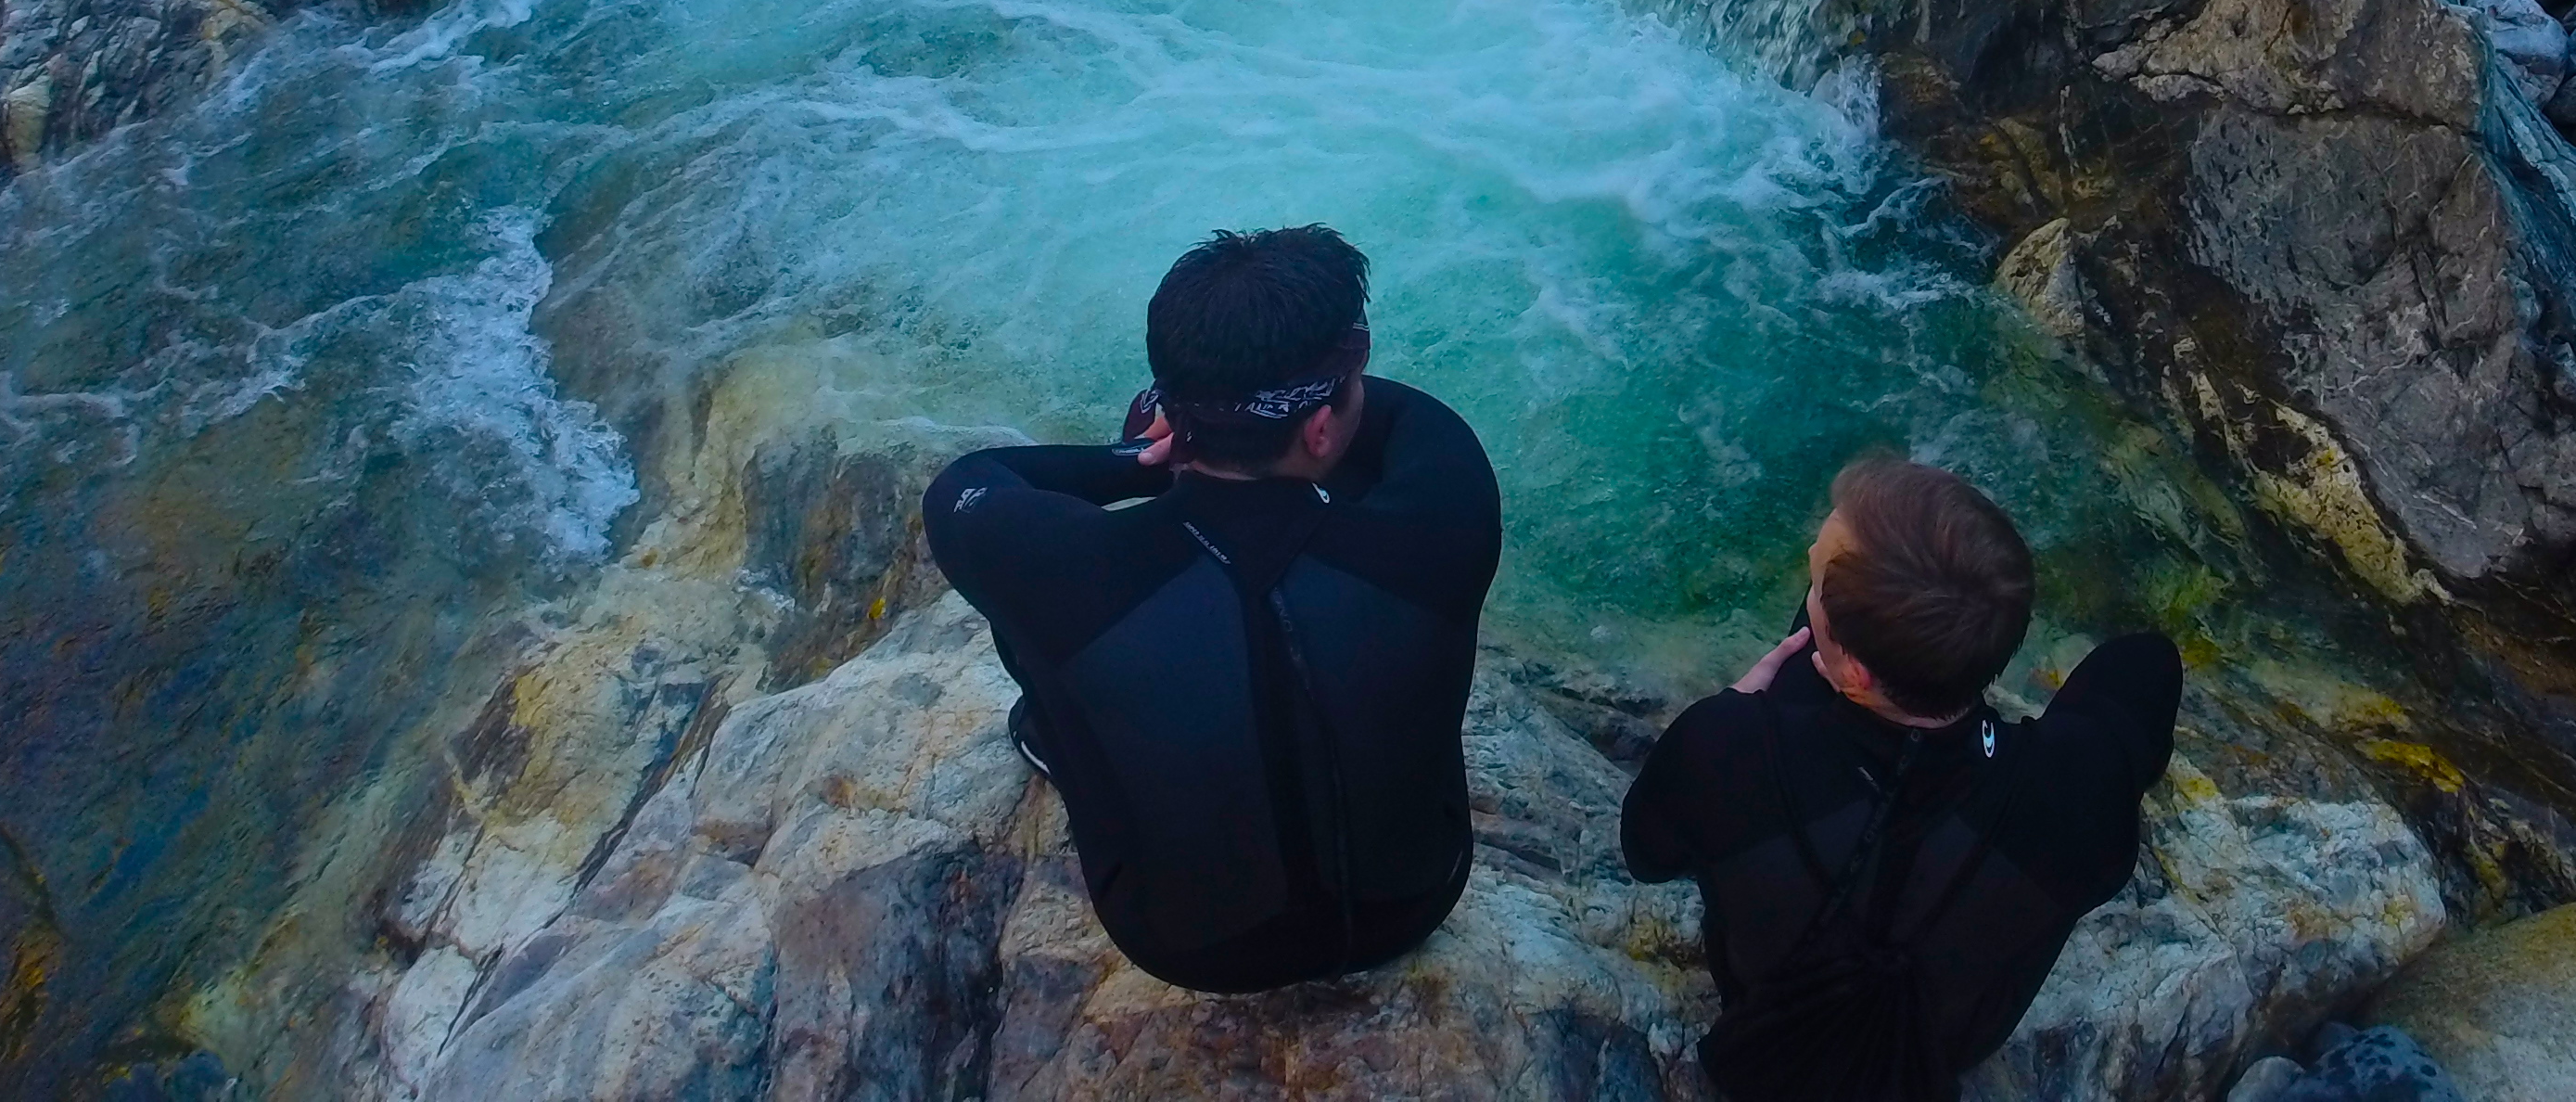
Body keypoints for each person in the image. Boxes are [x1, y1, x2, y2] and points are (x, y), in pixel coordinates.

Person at [922, 224, 1500, 993]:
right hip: (1418, 898)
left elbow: (970, 482)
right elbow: (1403, 419)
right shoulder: (1448, 515)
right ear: (1320, 428)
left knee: (1030, 609)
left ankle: (1057, 742)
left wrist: (1147, 454)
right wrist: (1278, 403)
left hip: (1184, 946)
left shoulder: (1070, 571)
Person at [1621, 454, 2183, 1101]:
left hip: (1771, 1018)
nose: (1809, 570)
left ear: (1854, 675)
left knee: (1805, 648)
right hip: (1948, 1045)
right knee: (2143, 661)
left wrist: (1736, 707)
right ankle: (1934, 682)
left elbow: (1648, 855)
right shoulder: (2077, 799)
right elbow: (2103, 837)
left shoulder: (1724, 747)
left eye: (1813, 580)